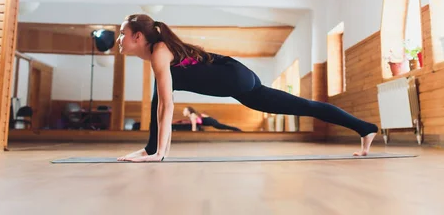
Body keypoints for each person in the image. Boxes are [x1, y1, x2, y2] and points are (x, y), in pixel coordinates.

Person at [116, 14, 378, 162]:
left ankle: (153, 150)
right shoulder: (159, 54)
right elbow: (162, 104)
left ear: (138, 37)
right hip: (240, 81)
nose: (118, 39)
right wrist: (160, 151)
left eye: (121, 34)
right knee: (303, 106)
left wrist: (162, 153)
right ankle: (365, 129)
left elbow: (167, 105)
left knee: (159, 97)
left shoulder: (160, 51)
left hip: (233, 76)